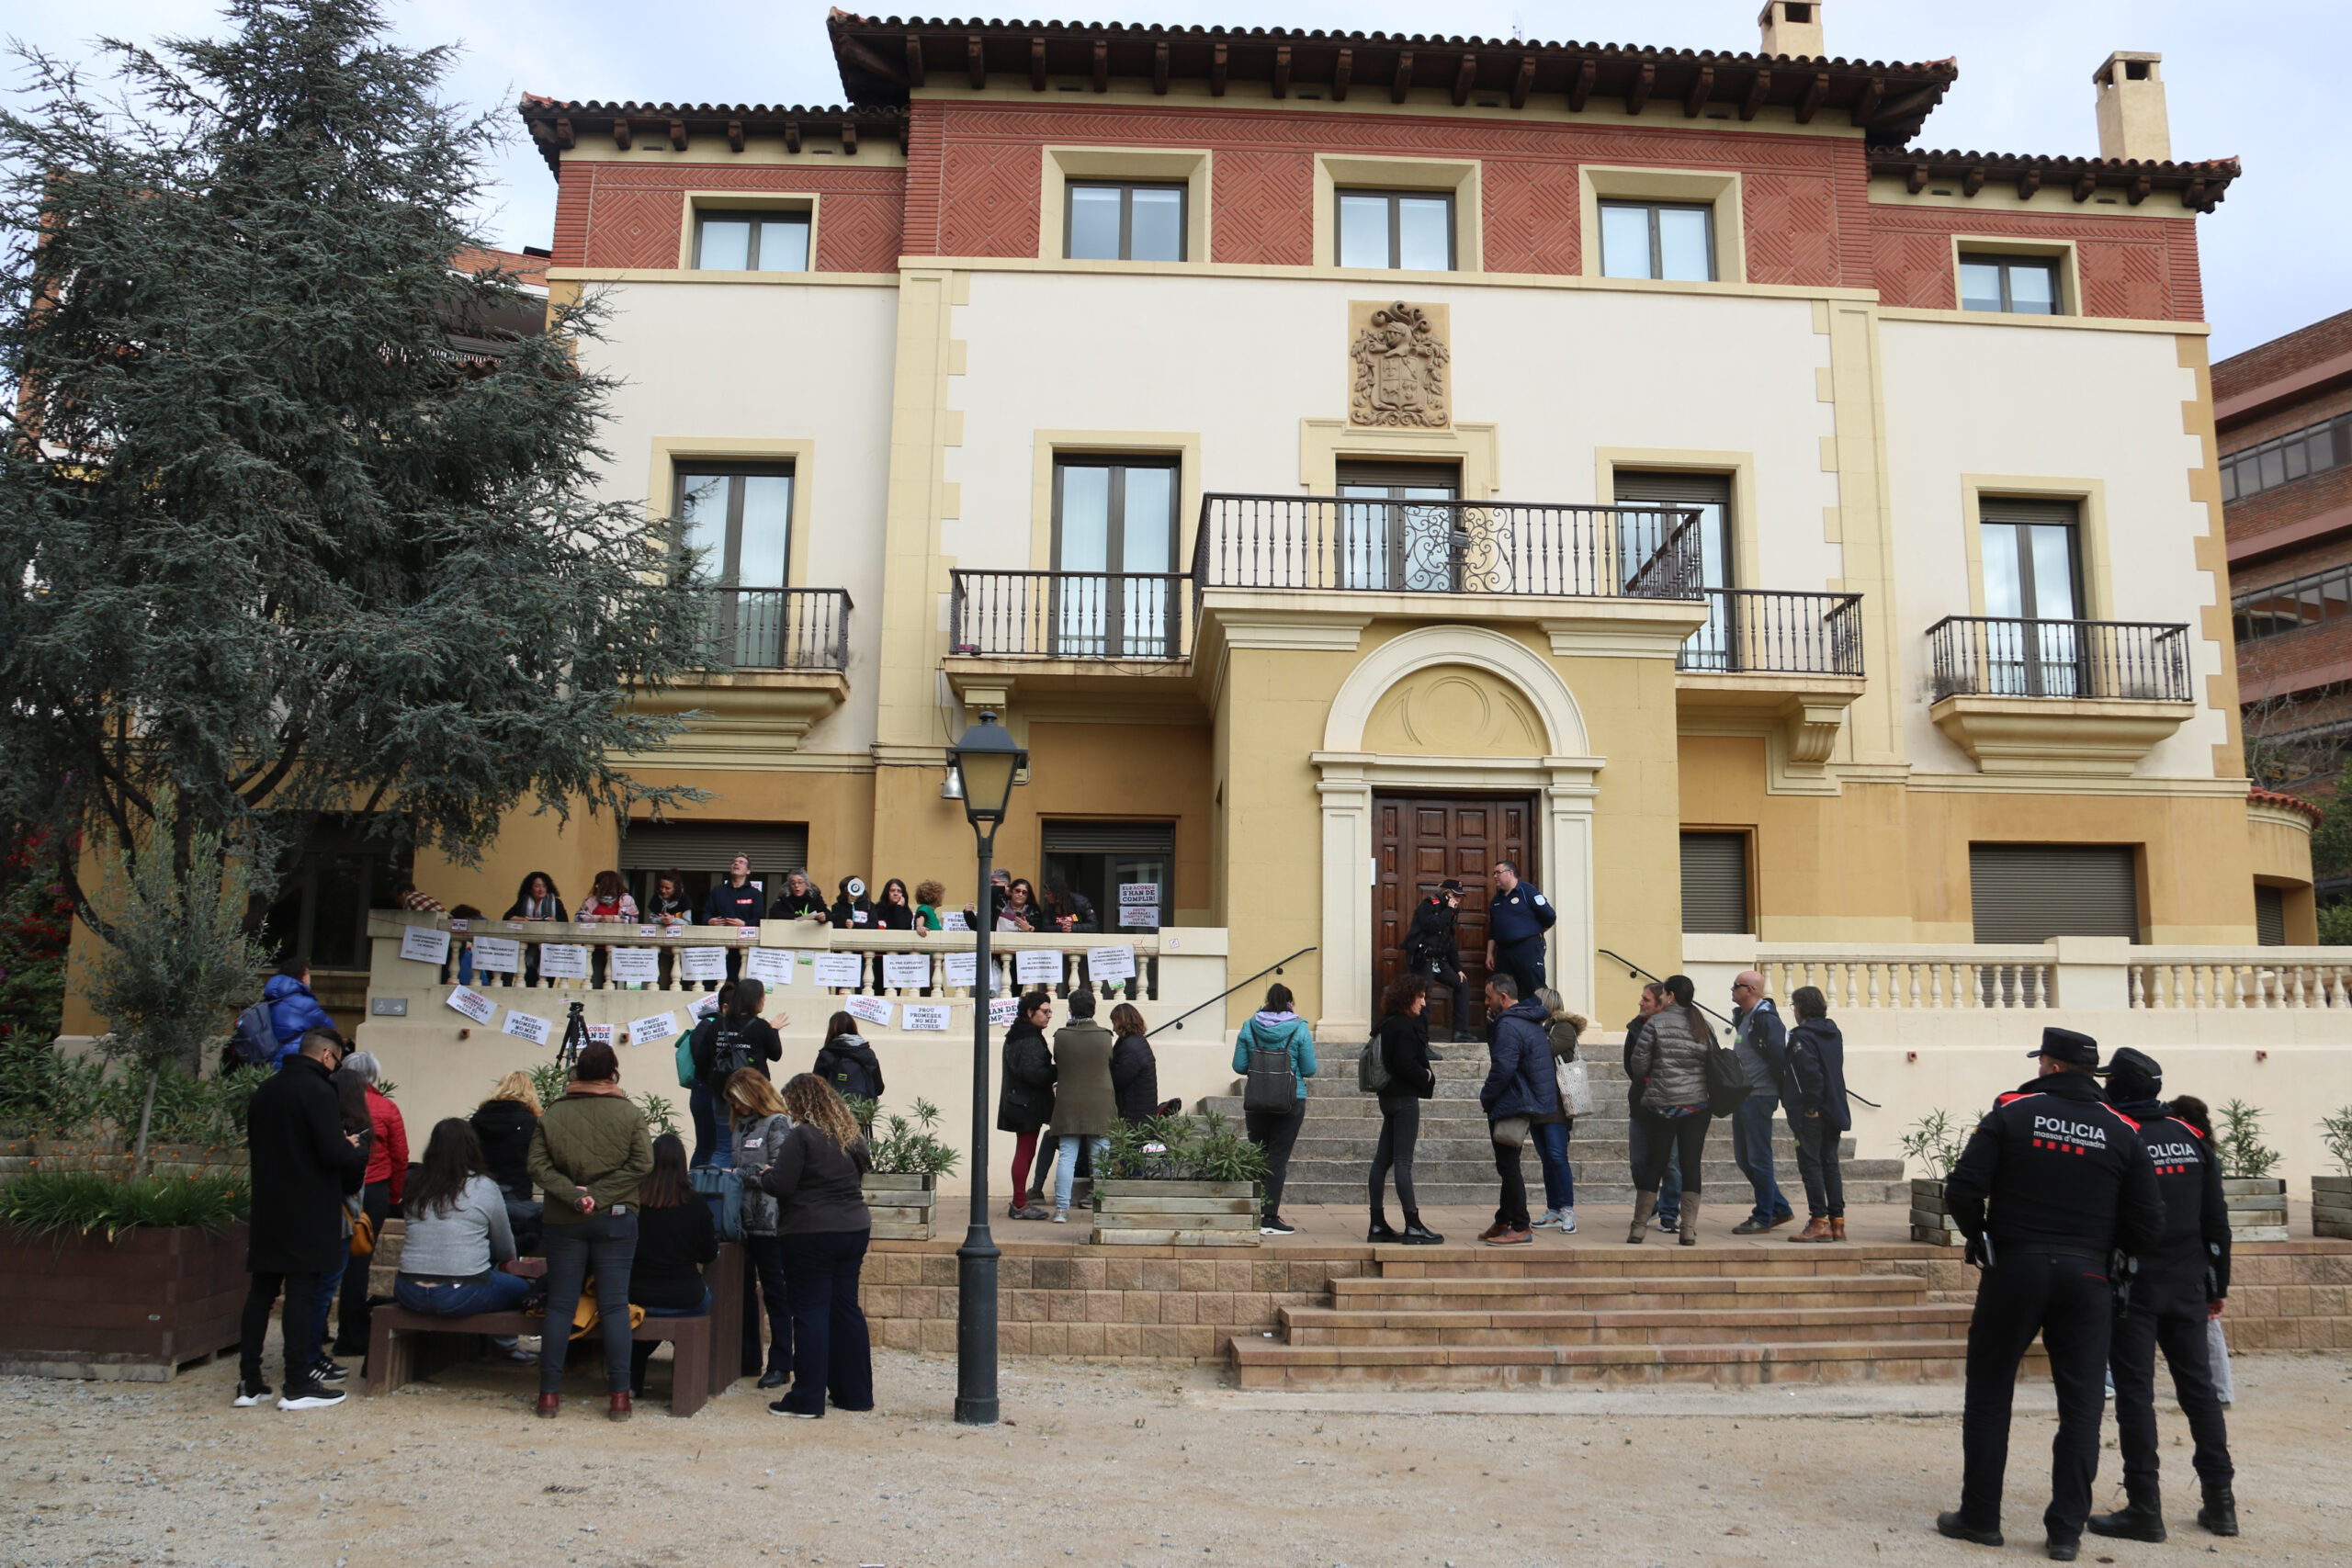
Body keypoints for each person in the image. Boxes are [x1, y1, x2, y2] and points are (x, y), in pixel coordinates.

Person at [1936, 1027, 2165, 1562]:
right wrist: (2111, 1253)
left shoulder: (2013, 1111)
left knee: (1990, 1391)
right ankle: (2065, 1531)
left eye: (2042, 1060)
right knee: (2082, 1405)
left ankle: (1981, 1518)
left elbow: (1963, 1188)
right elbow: (2149, 1222)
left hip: (2015, 1267)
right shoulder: (2122, 1128)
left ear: (2053, 1066)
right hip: (2088, 1276)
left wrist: (1980, 1236)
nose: (2038, 1067)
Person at [2088, 1048, 2237, 1544]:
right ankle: (2221, 1503)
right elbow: (2217, 1222)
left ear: (2119, 1087)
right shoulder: (2191, 1136)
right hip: (2188, 1283)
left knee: (2136, 1395)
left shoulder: (2117, 1133)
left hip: (2133, 1286)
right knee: (2199, 1392)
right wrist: (2217, 1286)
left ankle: (2144, 1508)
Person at [236, 1026, 367, 1410]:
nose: (336, 1067)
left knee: (261, 1292)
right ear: (327, 1055)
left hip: (267, 1205)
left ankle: (249, 1382)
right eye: (337, 1060)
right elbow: (331, 1153)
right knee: (301, 1293)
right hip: (308, 1207)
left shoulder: (265, 1090)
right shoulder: (319, 1091)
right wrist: (351, 1148)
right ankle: (296, 1383)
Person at [526, 1042, 653, 1423]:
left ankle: (548, 1396)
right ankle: (620, 1398)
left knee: (561, 1304)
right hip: (616, 1216)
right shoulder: (629, 1113)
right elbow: (642, 1163)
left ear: (576, 1072)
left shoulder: (554, 1113)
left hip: (563, 1218)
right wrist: (600, 1195)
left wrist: (574, 1195)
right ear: (613, 1072)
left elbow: (536, 1164)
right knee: (614, 1304)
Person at [748, 1074, 876, 1418]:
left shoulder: (802, 1135)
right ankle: (855, 1394)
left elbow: (782, 1185)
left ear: (801, 1103)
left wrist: (765, 1174)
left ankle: (807, 1399)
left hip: (809, 1231)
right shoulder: (850, 1135)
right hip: (854, 1228)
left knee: (810, 1313)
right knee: (845, 1309)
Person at [394, 1119, 533, 1316]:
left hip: (408, 1289)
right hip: (462, 1291)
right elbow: (504, 1247)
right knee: (524, 1289)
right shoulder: (483, 1185)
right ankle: (500, 1339)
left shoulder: (415, 1184)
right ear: (472, 1147)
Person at [628, 1133, 718, 1401]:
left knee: (640, 1336)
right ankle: (684, 1382)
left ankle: (631, 1383)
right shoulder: (696, 1203)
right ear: (683, 1164)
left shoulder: (635, 1202)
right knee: (706, 1299)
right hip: (685, 1297)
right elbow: (709, 1254)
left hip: (637, 1296)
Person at [1627, 975, 1714, 1247]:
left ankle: (1638, 1228)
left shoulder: (1656, 1023)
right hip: (1697, 1105)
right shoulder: (1703, 1024)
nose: (1662, 997)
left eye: (1664, 993)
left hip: (1662, 1104)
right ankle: (1687, 1230)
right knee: (1690, 1165)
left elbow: (1638, 1065)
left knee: (1654, 1163)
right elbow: (1713, 1062)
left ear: (1672, 996)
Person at [725, 1069, 799, 1389]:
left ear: (753, 1094)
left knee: (776, 1294)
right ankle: (748, 1358)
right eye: (732, 1101)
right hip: (741, 1224)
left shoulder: (778, 1123)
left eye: (738, 1099)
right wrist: (750, 1172)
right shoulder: (740, 1125)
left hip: (771, 1224)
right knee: (742, 1294)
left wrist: (738, 1174)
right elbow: (758, 1171)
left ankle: (781, 1363)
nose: (735, 1106)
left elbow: (779, 1173)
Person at [328, 1051, 404, 1358]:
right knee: (359, 1261)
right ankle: (351, 1335)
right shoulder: (385, 1107)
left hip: (333, 1188)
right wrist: (394, 1196)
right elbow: (399, 1156)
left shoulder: (327, 1102)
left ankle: (316, 1329)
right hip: (373, 1189)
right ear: (373, 1076)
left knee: (324, 1259)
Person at [1477, 973, 1555, 1247]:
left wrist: (1486, 1096)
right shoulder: (1526, 1019)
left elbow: (1504, 1067)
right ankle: (1503, 1220)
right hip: (1523, 1098)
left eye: (1488, 997)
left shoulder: (1510, 1024)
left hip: (1512, 1100)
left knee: (1509, 1167)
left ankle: (1521, 1226)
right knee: (1508, 1164)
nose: (1485, 1002)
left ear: (1503, 997)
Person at [1232, 983, 1317, 1236]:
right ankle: (1270, 1217)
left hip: (1257, 1100)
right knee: (1277, 1158)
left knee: (1259, 1155)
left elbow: (1239, 1066)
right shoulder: (1299, 1028)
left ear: (1267, 1000)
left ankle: (1254, 1214)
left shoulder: (1249, 1026)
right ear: (1290, 1003)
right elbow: (1310, 1069)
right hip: (1291, 1100)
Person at [470, 1073, 544, 1358]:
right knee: (510, 1263)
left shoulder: (477, 1120)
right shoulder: (530, 1123)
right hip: (516, 1199)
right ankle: (506, 1340)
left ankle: (487, 1339)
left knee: (485, 1261)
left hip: (480, 1195)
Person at [1368, 971, 1442, 1245]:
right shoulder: (1402, 1026)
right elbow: (1404, 1063)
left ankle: (1377, 1224)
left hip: (1388, 1097)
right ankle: (1413, 1225)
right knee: (1403, 1162)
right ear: (1407, 997)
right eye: (1420, 997)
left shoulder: (1386, 1024)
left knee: (1382, 1161)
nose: (1423, 1003)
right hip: (1403, 1099)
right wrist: (1426, 1076)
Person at [1726, 969, 1796, 1235]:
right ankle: (1779, 1208)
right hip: (1744, 1096)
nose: (1732, 989)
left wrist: (1774, 1089)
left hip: (1759, 1096)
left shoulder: (1765, 1019)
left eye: (1737, 985)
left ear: (1751, 990)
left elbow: (1780, 1057)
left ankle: (1763, 1216)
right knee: (1744, 1158)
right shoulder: (1746, 1016)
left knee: (1758, 1158)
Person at [1782, 986, 1849, 1244]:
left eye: (1794, 1006)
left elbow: (1810, 1073)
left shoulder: (1801, 1037)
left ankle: (1819, 1221)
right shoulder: (1833, 1032)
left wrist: (1810, 1108)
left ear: (1800, 1007)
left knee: (1811, 1165)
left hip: (1813, 1111)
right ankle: (1837, 1222)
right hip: (1835, 1106)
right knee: (1830, 1163)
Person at [1046, 989, 1116, 1224]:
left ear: (1071, 1010)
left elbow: (1058, 1061)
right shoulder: (1105, 1036)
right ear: (1094, 1010)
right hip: (1100, 1102)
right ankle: (1103, 1207)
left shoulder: (1061, 1036)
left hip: (1069, 1101)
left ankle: (1062, 1210)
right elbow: (1109, 1061)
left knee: (1067, 1156)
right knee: (1101, 1156)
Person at [691, 977, 785, 1150]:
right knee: (753, 1144)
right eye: (762, 997)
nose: (763, 1001)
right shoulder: (761, 1026)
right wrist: (774, 1030)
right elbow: (775, 1054)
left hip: (722, 1089)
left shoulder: (717, 1024)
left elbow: (702, 1058)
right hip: (753, 1092)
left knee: (723, 1147)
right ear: (754, 1000)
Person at [1622, 982, 1685, 1234]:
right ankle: (1652, 1206)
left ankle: (1669, 1214)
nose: (1640, 1003)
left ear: (1661, 1004)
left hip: (1670, 1105)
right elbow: (1631, 1066)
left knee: (1671, 1163)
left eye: (1646, 999)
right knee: (1638, 1162)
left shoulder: (1676, 1027)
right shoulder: (1635, 1028)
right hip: (1641, 1105)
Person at [1530, 987, 1586, 1235]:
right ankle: (1553, 1208)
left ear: (1546, 1004)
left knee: (1557, 1156)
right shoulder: (1540, 1028)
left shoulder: (1563, 1028)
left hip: (1556, 1104)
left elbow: (1541, 1053)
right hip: (1537, 1103)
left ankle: (1567, 1209)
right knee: (1546, 1158)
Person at [997, 991, 1056, 1221]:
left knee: (1026, 1150)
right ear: (1030, 1012)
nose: (1048, 1016)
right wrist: (1057, 1070)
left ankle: (1020, 1200)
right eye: (1044, 1011)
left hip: (1020, 1102)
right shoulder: (1029, 1038)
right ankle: (1020, 1203)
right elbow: (1035, 1073)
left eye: (1050, 1011)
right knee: (1025, 1150)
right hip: (1027, 1105)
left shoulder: (1018, 1034)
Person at [1402, 879, 1474, 1043]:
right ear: (1446, 894)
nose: (1458, 899)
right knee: (1423, 996)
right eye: (1455, 895)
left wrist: (1458, 968)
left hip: (1438, 960)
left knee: (1462, 983)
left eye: (1460, 896)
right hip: (1422, 959)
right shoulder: (1429, 905)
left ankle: (1460, 1032)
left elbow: (1449, 940)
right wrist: (1448, 910)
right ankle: (1421, 1041)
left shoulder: (1452, 911)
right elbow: (1432, 926)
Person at [1483, 860, 1555, 999]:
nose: (1495, 876)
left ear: (1510, 873)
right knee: (1504, 990)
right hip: (1504, 952)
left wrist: (1536, 931)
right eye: (1494, 873)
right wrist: (1490, 954)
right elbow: (1493, 929)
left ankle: (1541, 1014)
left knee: (1535, 988)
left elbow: (1550, 916)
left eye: (1498, 872)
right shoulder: (1496, 900)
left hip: (1527, 949)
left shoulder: (1527, 891)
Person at [263, 959, 335, 1069]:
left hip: (266, 1065)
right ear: (302, 976)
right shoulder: (305, 1004)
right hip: (292, 1064)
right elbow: (329, 1028)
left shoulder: (269, 1000)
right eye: (308, 973)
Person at [702, 853, 763, 986]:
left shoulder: (755, 894)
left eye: (741, 862)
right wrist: (710, 921)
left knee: (737, 986)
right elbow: (705, 914)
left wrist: (745, 924)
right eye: (734, 861)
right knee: (713, 986)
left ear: (748, 871)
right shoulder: (718, 891)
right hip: (717, 948)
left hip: (741, 951)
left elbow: (760, 920)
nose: (736, 863)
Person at [578, 871, 639, 989]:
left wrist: (613, 919)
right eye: (597, 883)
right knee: (594, 983)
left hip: (619, 950)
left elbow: (634, 918)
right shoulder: (591, 901)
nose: (596, 886)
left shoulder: (625, 899)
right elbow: (579, 917)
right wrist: (599, 918)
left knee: (615, 985)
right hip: (595, 949)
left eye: (600, 883)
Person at [504, 872, 567, 987]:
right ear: (530, 888)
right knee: (528, 981)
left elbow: (564, 921)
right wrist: (522, 919)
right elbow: (507, 917)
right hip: (528, 950)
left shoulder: (555, 902)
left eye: (544, 886)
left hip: (549, 951)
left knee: (546, 984)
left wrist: (549, 920)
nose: (541, 889)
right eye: (537, 886)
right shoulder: (524, 901)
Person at [812, 1010, 885, 1104]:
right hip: (862, 1110)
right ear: (853, 1027)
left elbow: (815, 1088)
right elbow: (879, 1088)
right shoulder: (867, 1054)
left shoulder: (826, 1055)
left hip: (834, 1110)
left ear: (831, 1030)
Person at [640, 871, 694, 989]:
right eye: (661, 887)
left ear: (676, 888)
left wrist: (672, 920)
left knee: (681, 984)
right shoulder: (656, 898)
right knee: (661, 981)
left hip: (680, 948)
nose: (663, 891)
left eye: (667, 888)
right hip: (662, 948)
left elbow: (687, 922)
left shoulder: (684, 899)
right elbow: (651, 919)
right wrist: (662, 920)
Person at [1107, 1002, 1159, 1124]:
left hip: (1134, 1115)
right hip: (1141, 1110)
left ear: (1122, 1022)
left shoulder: (1130, 1047)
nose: (1113, 1029)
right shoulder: (1137, 1042)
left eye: (1114, 1023)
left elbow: (1118, 1080)